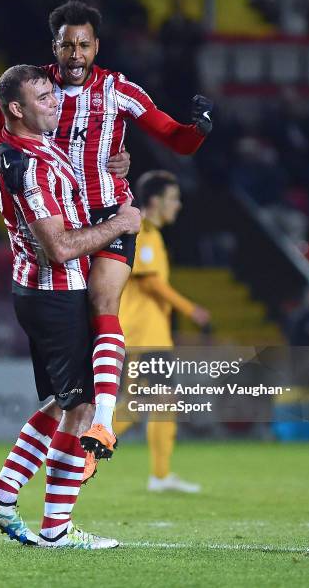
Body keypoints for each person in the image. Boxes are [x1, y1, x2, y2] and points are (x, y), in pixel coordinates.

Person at [0, 0, 212, 458]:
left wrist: (198, 129)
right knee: (76, 329)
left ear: (96, 46)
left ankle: (101, 423)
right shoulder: (32, 90)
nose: (75, 54)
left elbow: (175, 137)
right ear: (53, 47)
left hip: (109, 213)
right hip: (61, 220)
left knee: (104, 302)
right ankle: (78, 423)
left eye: (83, 45)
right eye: (66, 45)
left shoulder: (119, 90)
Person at [0, 64, 141, 549]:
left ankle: (3, 496)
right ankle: (57, 530)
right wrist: (121, 223)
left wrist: (118, 162)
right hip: (55, 293)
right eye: (44, 98)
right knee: (81, 407)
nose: (56, 102)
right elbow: (60, 248)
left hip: (43, 292)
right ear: (16, 110)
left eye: (53, 93)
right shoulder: (31, 166)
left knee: (56, 403)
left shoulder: (32, 148)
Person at [114, 170, 210, 492]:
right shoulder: (143, 232)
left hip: (151, 334)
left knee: (159, 403)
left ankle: (161, 475)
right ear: (155, 201)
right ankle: (76, 453)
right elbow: (150, 281)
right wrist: (190, 309)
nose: (178, 205)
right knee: (134, 406)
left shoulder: (151, 233)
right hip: (144, 335)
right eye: (173, 199)